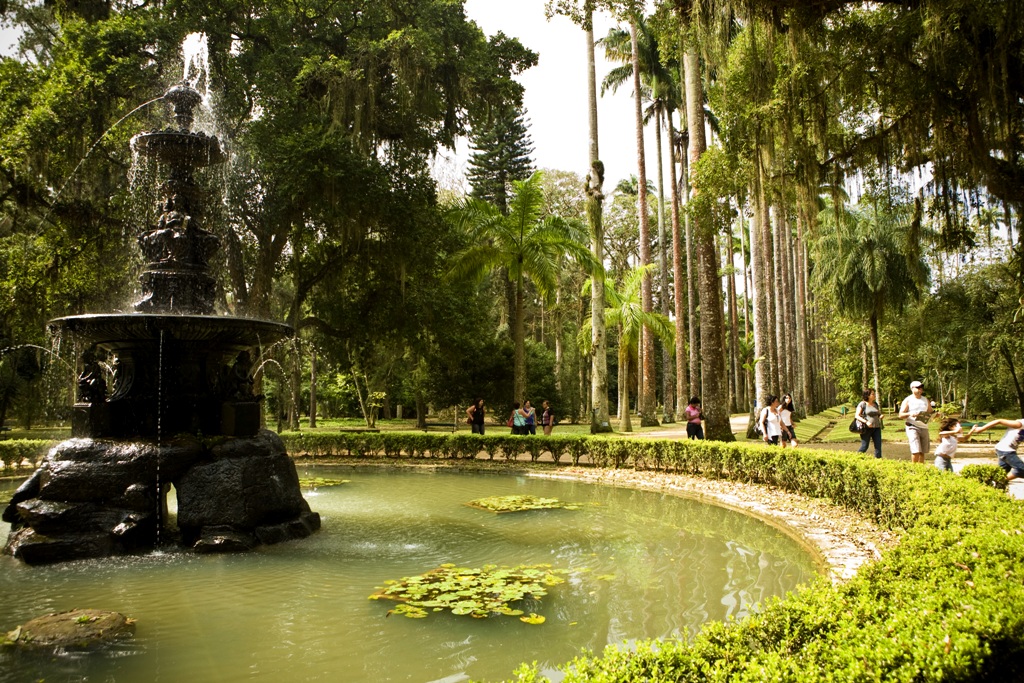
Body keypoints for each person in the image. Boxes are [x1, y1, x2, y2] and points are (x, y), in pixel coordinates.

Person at [898, 381, 932, 463]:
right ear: (912, 388)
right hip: (912, 426)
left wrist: (935, 415)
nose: (920, 389)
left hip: (924, 427)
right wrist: (910, 414)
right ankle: (914, 469)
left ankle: (920, 469)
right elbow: (900, 415)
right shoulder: (908, 400)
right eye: (918, 387)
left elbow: (930, 412)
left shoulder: (925, 400)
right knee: (915, 450)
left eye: (921, 387)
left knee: (922, 452)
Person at [855, 389, 884, 458]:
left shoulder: (875, 404)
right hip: (866, 428)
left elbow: (878, 413)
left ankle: (878, 461)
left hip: (876, 428)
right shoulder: (862, 404)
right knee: (864, 446)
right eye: (872, 394)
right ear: (867, 395)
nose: (874, 395)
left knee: (878, 446)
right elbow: (857, 416)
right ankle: (856, 458)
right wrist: (866, 422)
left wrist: (880, 416)